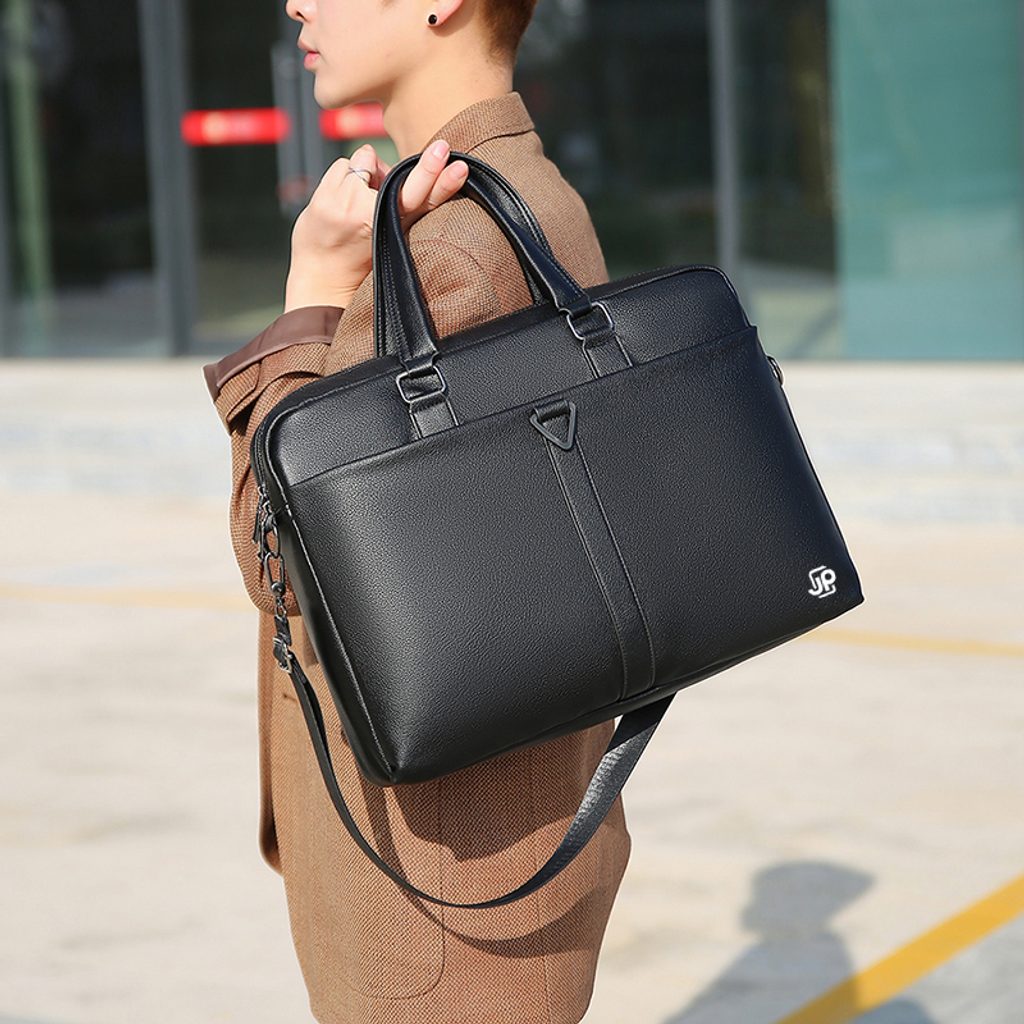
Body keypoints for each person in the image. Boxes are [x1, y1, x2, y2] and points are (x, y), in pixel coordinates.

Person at [202, 1, 632, 1021]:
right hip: (484, 870)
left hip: (442, 915)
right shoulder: (519, 194)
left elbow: (280, 558)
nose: (298, 3)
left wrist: (312, 287)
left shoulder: (451, 256)